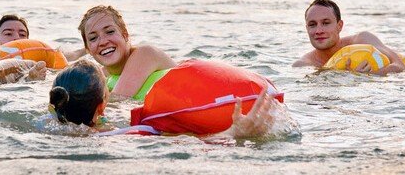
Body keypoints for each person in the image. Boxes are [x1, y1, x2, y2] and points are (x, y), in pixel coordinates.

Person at [49, 59, 283, 138]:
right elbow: (190, 142)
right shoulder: (128, 134)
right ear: (102, 107)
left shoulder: (48, 124)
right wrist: (235, 133)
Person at [78, 5, 176, 100]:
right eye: (93, 38)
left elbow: (118, 100)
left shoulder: (146, 54)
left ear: (125, 35)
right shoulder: (100, 76)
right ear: (88, 49)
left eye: (110, 32)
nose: (103, 42)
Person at [292, 0, 405, 75]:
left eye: (326, 23)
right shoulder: (303, 65)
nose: (318, 30)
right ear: (307, 28)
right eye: (312, 25)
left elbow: (400, 66)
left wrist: (369, 76)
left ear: (339, 26)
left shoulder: (363, 40)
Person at [0, 14, 86, 71]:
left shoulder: (43, 57)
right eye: (8, 33)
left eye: (22, 35)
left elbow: (70, 56)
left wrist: (85, 50)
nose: (17, 38)